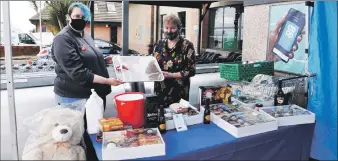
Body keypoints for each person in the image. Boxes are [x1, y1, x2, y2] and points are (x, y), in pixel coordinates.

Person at [51, 2, 123, 160]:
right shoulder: (63, 39)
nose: (80, 20)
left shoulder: (85, 35)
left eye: (84, 18)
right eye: (76, 16)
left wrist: (105, 60)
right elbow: (79, 73)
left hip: (93, 96)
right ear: (68, 17)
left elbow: (89, 58)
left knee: (92, 133)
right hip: (74, 97)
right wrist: (108, 81)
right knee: (77, 139)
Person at [152, 13, 196, 106]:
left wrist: (171, 75)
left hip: (179, 92)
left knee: (178, 118)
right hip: (160, 90)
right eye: (166, 28)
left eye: (172, 28)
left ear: (179, 29)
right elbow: (152, 64)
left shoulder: (187, 45)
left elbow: (191, 71)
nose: (169, 31)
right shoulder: (158, 44)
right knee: (161, 117)